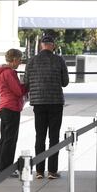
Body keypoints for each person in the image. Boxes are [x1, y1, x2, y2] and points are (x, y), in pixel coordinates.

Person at [24, 35, 69, 179]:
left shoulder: (31, 61)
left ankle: (38, 171)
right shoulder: (59, 60)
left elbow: (26, 82)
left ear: (41, 46)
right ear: (53, 45)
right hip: (55, 102)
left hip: (38, 102)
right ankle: (52, 171)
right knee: (54, 137)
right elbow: (65, 82)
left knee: (40, 136)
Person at [0, 49, 28, 175]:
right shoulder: (9, 73)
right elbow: (18, 91)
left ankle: (1, 167)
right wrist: (26, 86)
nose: (20, 62)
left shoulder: (1, 72)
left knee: (4, 138)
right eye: (19, 59)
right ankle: (6, 169)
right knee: (10, 139)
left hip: (4, 107)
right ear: (14, 59)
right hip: (11, 107)